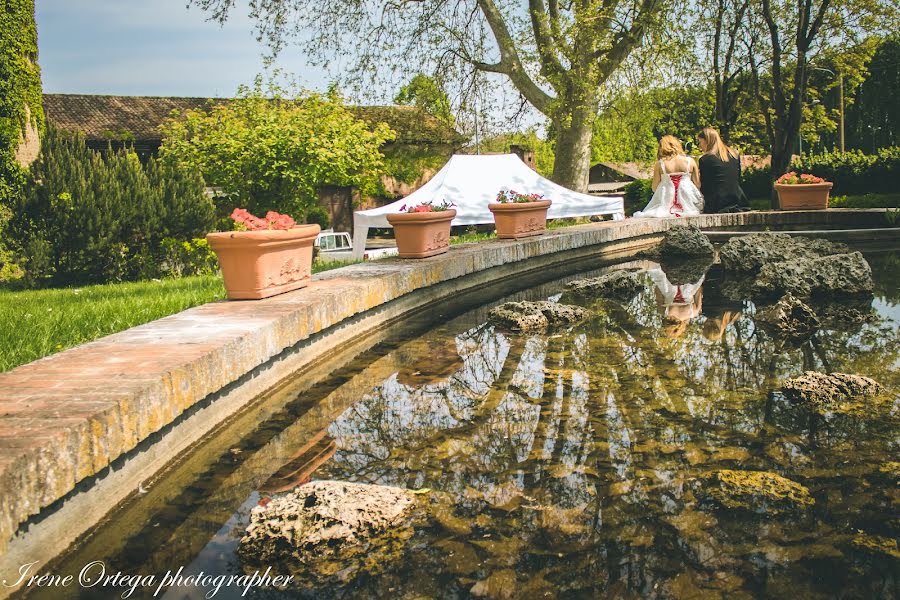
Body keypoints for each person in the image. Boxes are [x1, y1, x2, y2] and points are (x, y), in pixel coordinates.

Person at [634, 135, 703, 218]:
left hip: (666, 202)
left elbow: (654, 187)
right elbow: (698, 184)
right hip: (688, 202)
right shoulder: (690, 161)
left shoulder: (660, 164)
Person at [696, 127, 750, 213]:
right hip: (738, 199)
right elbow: (737, 178)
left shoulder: (706, 159)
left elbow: (705, 185)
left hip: (718, 202)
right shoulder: (734, 155)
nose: (700, 145)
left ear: (707, 141)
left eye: (700, 142)